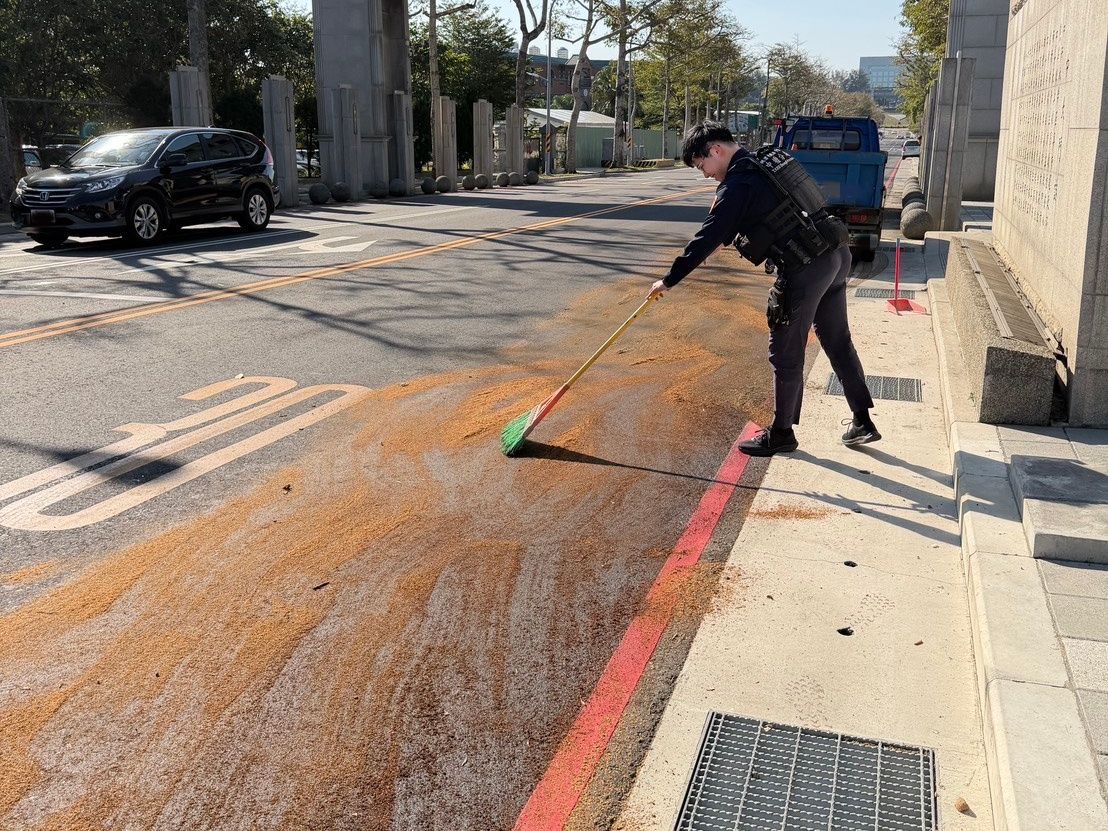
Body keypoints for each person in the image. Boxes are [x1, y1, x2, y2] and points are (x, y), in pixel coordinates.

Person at [647, 121, 880, 457]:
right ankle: (863, 420)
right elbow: (740, 225)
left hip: (806, 266)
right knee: (837, 340)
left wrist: (669, 279)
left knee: (786, 351)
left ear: (715, 150)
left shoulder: (738, 183)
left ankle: (782, 433)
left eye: (701, 166)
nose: (705, 175)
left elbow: (709, 235)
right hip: (836, 254)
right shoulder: (767, 162)